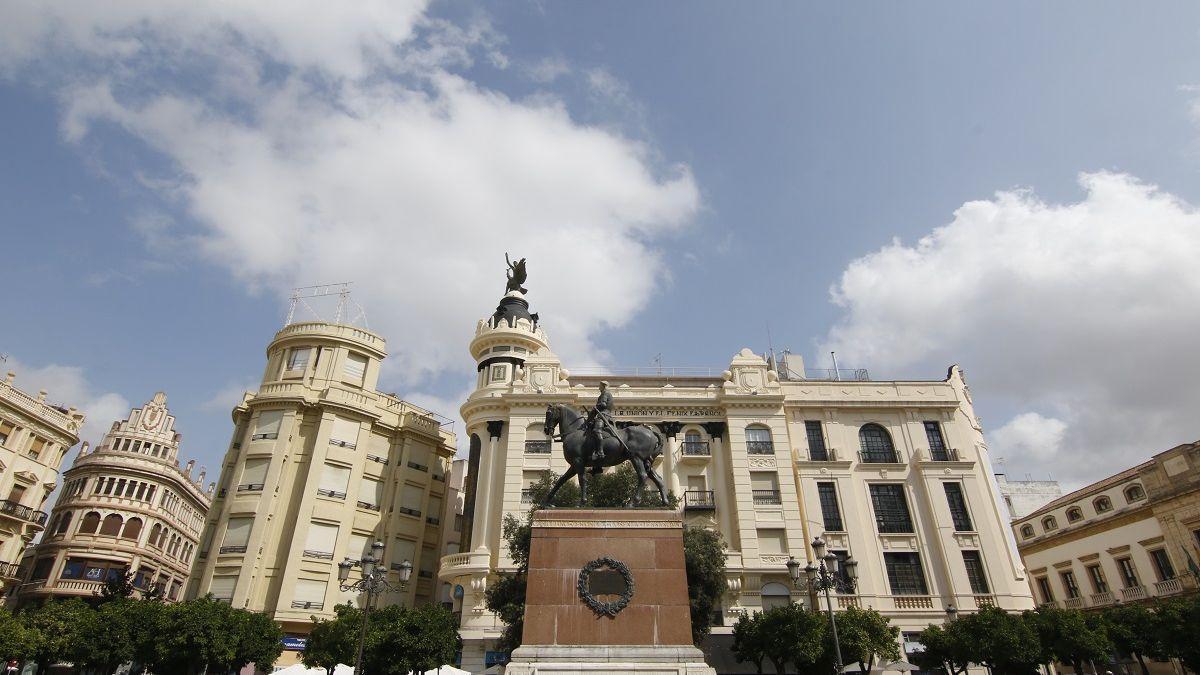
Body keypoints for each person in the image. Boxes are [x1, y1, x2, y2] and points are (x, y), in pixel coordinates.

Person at [587, 381, 623, 464]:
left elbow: (603, 404)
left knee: (596, 431)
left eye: (599, 386)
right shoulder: (605, 393)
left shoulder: (605, 393)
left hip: (603, 415)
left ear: (603, 386)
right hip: (604, 414)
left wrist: (595, 407)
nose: (598, 387)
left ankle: (600, 452)